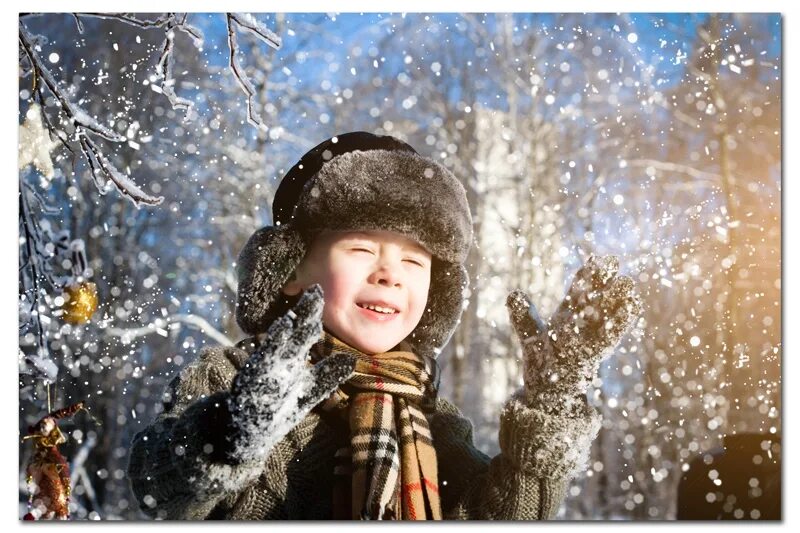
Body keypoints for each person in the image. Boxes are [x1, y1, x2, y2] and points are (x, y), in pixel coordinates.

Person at [126, 131, 641, 520]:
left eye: (415, 262)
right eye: (361, 248)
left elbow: (502, 515)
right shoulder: (233, 377)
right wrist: (232, 430)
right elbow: (159, 486)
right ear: (290, 271)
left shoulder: (429, 412)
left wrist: (555, 399)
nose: (389, 273)